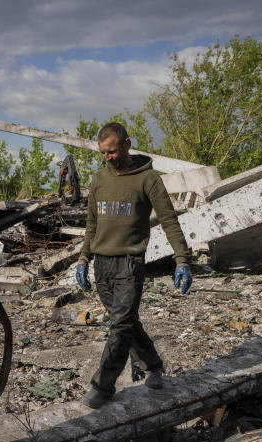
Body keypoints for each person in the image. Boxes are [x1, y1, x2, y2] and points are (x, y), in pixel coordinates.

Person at [75, 122, 193, 409]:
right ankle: (153, 365)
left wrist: (182, 261)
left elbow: (169, 221)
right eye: (103, 153)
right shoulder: (99, 179)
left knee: (119, 326)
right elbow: (92, 224)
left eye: (113, 151)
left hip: (130, 263)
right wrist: (83, 259)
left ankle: (103, 386)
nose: (108, 158)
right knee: (127, 323)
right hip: (102, 264)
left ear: (127, 144)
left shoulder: (148, 179)